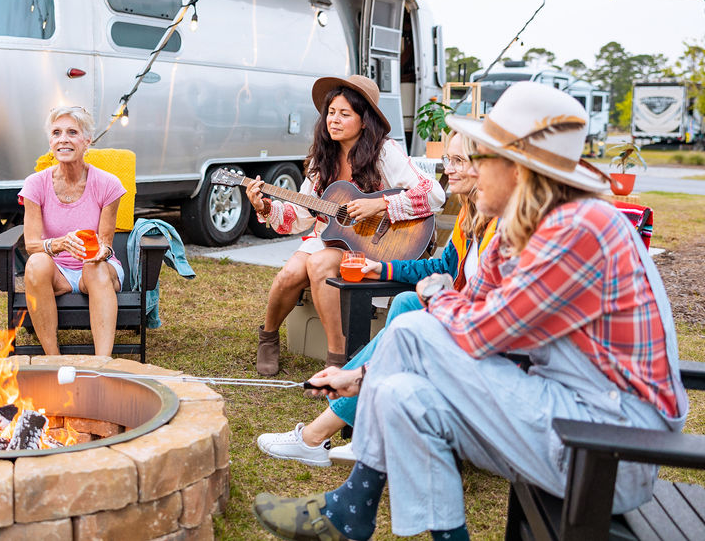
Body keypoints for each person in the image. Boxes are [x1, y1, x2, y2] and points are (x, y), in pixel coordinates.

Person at [252, 82, 687, 541]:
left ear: (518, 170)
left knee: (417, 326)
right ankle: (362, 512)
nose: (465, 172)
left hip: (611, 448)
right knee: (400, 395)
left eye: (480, 159)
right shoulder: (519, 230)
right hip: (561, 414)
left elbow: (480, 334)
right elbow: (471, 311)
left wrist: (433, 298)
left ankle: (350, 509)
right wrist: (366, 378)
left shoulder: (578, 229)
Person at [256, 131, 497, 466]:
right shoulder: (471, 213)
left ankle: (317, 435)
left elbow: (489, 299)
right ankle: (363, 423)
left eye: (457, 161)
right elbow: (444, 266)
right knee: (404, 304)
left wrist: (379, 206)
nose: (448, 169)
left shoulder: (501, 223)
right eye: (447, 160)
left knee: (410, 319)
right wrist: (380, 268)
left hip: (479, 328)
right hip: (462, 311)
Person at [247, 75, 444, 374]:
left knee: (318, 265)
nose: (333, 120)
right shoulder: (321, 158)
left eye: (344, 114)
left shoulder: (384, 152)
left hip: (375, 243)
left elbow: (434, 194)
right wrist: (265, 206)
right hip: (332, 237)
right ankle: (269, 337)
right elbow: (301, 214)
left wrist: (380, 204)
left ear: (364, 120)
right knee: (289, 274)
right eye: (330, 112)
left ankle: (337, 359)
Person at [19, 105, 126, 356]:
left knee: (95, 267)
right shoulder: (35, 184)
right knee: (35, 263)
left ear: (87, 141)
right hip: (58, 273)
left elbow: (106, 243)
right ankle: (53, 359)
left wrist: (99, 253)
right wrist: (60, 244)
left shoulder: (108, 184)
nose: (63, 139)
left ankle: (102, 362)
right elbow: (31, 243)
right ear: (50, 141)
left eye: (72, 132)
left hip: (97, 270)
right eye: (56, 133)